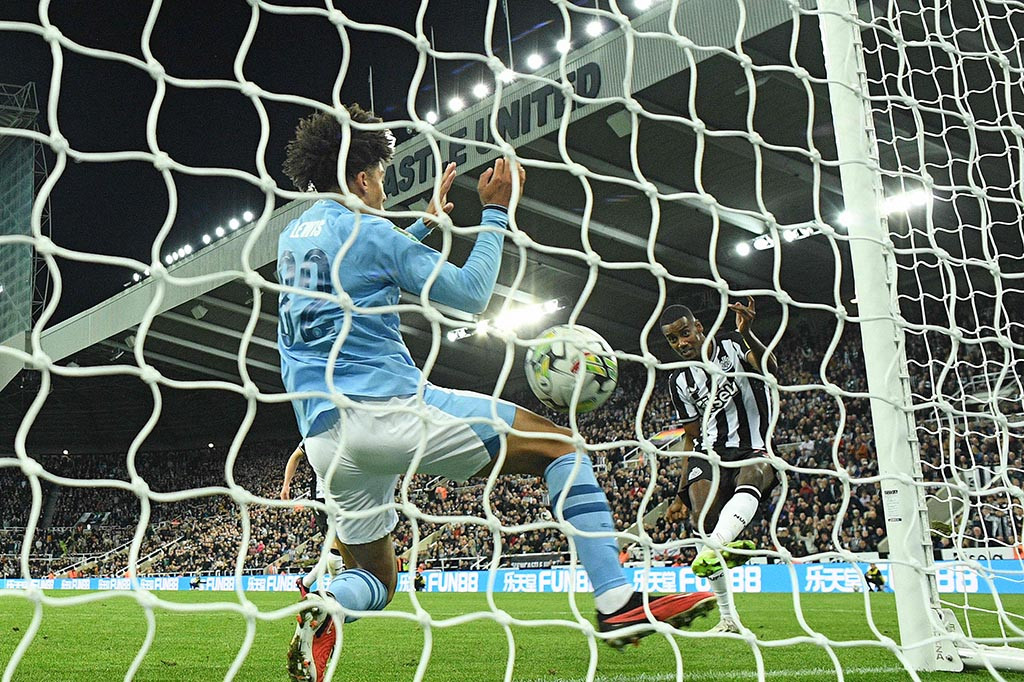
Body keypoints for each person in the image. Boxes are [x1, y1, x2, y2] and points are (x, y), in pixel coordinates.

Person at [279, 104, 713, 682]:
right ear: (362, 179)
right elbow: (470, 295)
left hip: (325, 443)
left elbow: (356, 270)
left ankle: (328, 607)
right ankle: (617, 602)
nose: (382, 187)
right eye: (380, 177)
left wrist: (427, 226)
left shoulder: (295, 235)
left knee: (379, 581)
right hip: (390, 413)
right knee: (563, 449)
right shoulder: (370, 230)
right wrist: (495, 214)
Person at [662, 299, 778, 635]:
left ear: (698, 327)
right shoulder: (679, 381)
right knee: (701, 520)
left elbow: (770, 367)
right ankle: (728, 618)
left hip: (753, 446)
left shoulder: (730, 343)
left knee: (754, 474)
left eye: (685, 333)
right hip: (709, 452)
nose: (682, 343)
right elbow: (691, 437)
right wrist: (680, 493)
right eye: (673, 340)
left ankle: (717, 547)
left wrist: (749, 333)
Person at [280, 442, 347, 595]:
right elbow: (295, 456)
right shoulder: (314, 434)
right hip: (322, 497)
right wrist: (286, 485)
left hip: (344, 496)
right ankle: (336, 593)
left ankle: (306, 582)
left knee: (343, 545)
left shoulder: (349, 432)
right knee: (336, 544)